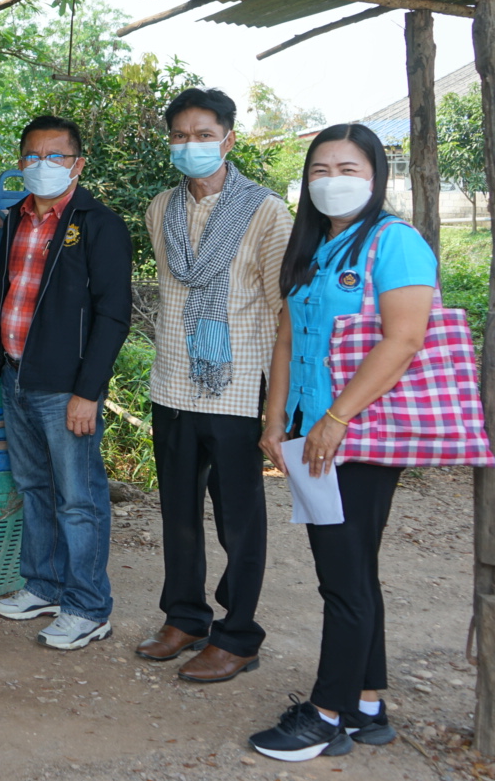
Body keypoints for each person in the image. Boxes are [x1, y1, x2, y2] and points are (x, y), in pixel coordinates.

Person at [248, 124, 435, 762]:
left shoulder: (395, 242)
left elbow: (403, 340)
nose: (333, 180)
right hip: (308, 429)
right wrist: (276, 420)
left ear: (376, 175)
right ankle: (368, 705)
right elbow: (286, 333)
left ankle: (325, 715)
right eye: (320, 169)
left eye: (348, 168)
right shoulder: (314, 247)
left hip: (357, 435)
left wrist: (334, 418)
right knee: (354, 568)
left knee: (342, 577)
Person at [137, 89, 291, 684]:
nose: (191, 145)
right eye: (180, 135)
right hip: (171, 383)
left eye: (204, 134)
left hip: (235, 390)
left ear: (229, 138)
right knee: (177, 512)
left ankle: (239, 634)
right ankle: (185, 617)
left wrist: (282, 404)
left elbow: (285, 311)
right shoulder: (160, 209)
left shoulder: (266, 212)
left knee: (239, 518)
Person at [0, 114, 132, 651]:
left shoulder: (99, 224)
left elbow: (113, 314)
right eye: (32, 155)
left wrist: (88, 392)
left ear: (78, 164)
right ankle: (44, 585)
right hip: (17, 374)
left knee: (79, 499)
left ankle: (89, 606)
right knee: (34, 489)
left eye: (55, 156)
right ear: (21, 161)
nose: (42, 165)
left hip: (66, 387)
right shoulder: (13, 220)